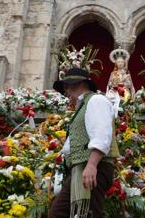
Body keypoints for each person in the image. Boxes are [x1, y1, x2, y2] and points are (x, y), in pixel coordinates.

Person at [49, 68, 119, 218]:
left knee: (74, 212)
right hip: (83, 167)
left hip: (93, 167)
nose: (66, 91)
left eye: (67, 85)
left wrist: (92, 165)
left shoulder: (96, 100)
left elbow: (102, 134)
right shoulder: (84, 105)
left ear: (79, 84)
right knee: (79, 213)